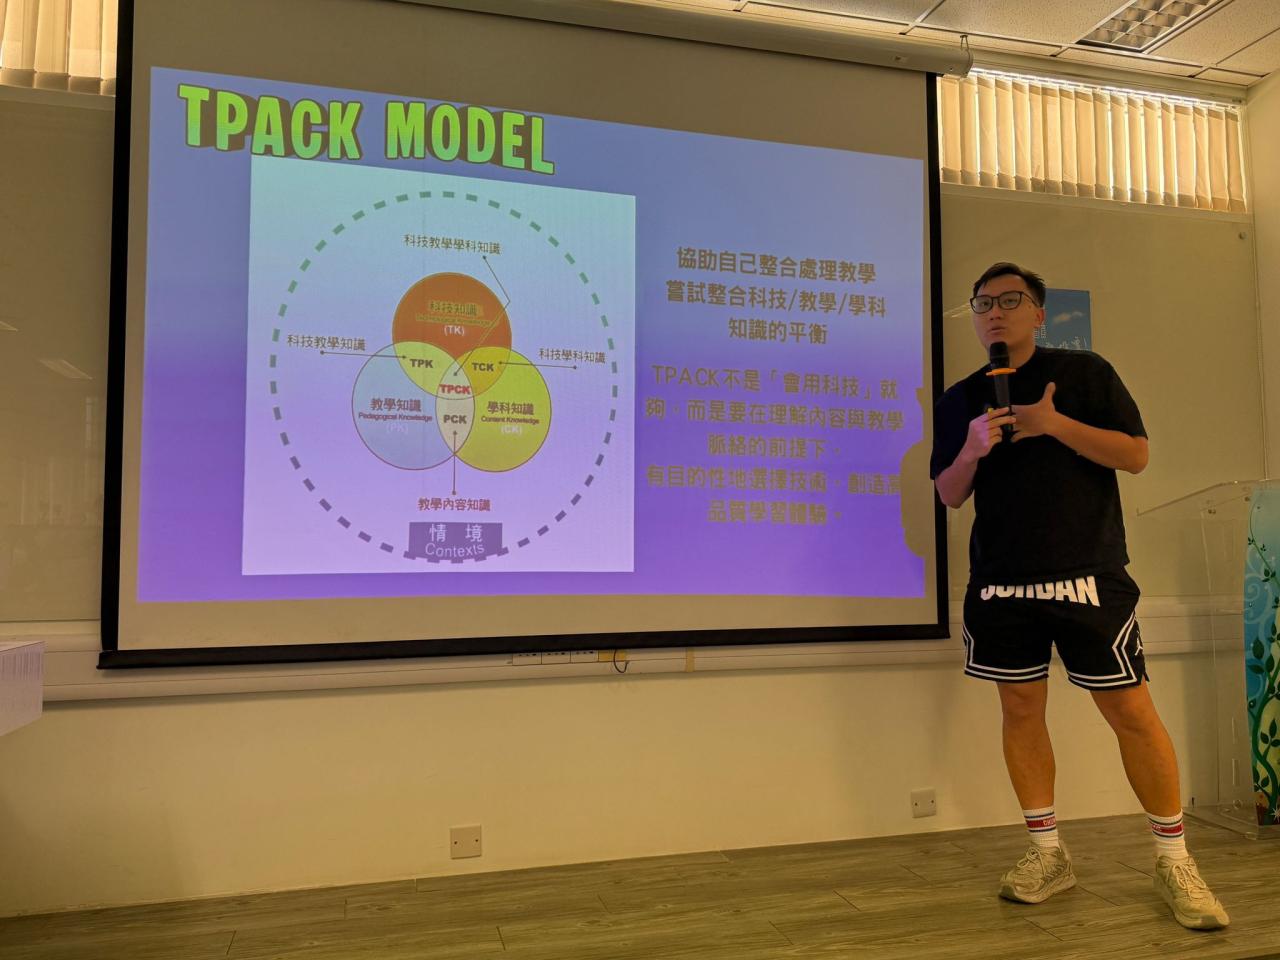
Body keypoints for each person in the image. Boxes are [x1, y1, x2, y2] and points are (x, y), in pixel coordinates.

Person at [929, 262, 1229, 930]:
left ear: (1039, 313)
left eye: (1010, 300)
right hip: (1000, 581)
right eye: (983, 303)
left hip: (1089, 574)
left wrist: (1052, 423)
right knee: (1020, 710)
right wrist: (972, 449)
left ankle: (1175, 861)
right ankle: (1047, 854)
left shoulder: (1085, 373)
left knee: (1130, 711)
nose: (995, 312)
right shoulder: (960, 399)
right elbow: (948, 493)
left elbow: (1135, 455)